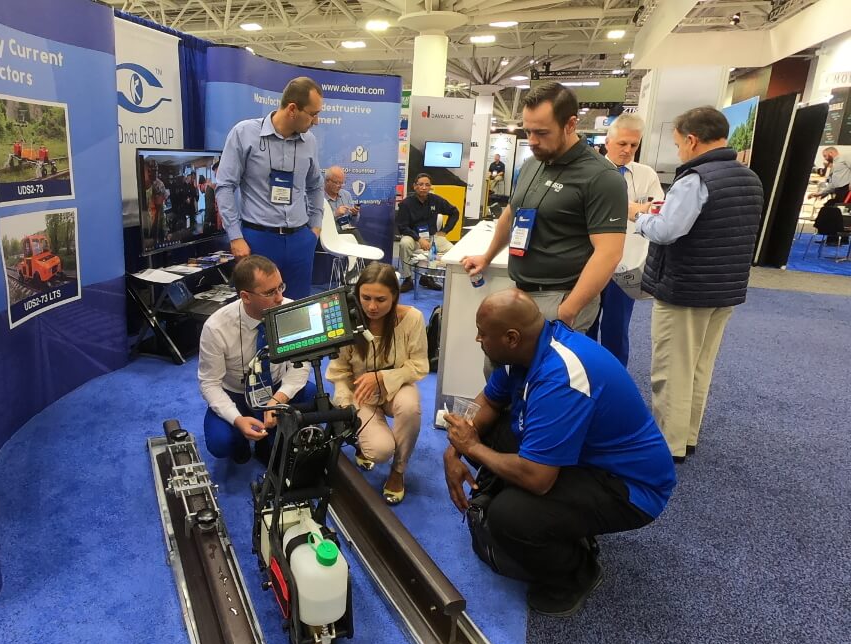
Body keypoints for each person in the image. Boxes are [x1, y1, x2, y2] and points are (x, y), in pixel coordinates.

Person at [442, 288, 675, 617]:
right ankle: (560, 521)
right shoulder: (526, 350)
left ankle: (577, 572)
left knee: (510, 516)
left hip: (630, 487)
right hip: (585, 458)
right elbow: (490, 401)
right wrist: (456, 448)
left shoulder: (561, 377)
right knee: (491, 431)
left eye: (483, 334)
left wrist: (472, 448)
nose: (479, 339)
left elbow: (538, 480)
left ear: (511, 337)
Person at [630, 106, 763, 463]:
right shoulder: (749, 177)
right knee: (700, 366)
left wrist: (640, 217)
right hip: (725, 288)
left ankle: (667, 445)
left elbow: (667, 231)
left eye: (677, 144)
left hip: (686, 289)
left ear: (691, 140)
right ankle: (686, 436)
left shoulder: (696, 179)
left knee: (672, 369)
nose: (678, 151)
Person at [461, 82, 628, 333]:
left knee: (545, 372)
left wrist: (568, 311)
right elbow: (511, 213)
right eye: (528, 132)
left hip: (561, 296)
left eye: (542, 132)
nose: (532, 141)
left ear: (570, 124)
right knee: (498, 365)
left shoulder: (602, 177)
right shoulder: (532, 164)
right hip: (521, 290)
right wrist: (487, 256)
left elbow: (609, 253)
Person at [326, 262, 428, 505]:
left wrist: (383, 377)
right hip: (359, 395)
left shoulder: (412, 318)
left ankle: (398, 471)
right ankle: (365, 443)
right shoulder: (346, 321)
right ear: (357, 294)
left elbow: (420, 365)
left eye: (381, 299)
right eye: (366, 297)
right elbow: (339, 372)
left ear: (394, 296)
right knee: (380, 451)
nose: (372, 306)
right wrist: (345, 405)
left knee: (410, 407)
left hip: (395, 389)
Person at [215, 77, 325, 300]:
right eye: (313, 114)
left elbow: (315, 185)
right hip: (259, 239)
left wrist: (314, 228)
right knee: (259, 311)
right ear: (292, 109)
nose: (316, 121)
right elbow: (225, 186)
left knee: (299, 311)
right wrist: (235, 237)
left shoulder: (309, 141)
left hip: (300, 240)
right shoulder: (244, 133)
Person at [198, 255, 314, 464]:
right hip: (237, 395)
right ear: (245, 296)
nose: (280, 298)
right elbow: (209, 383)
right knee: (221, 443)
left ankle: (270, 438)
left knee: (315, 398)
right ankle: (242, 441)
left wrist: (278, 400)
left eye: (281, 287)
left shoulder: (292, 310)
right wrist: (237, 419)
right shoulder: (215, 327)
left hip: (276, 389)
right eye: (270, 292)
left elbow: (300, 367)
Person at [586, 113, 665, 366]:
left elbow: (659, 210)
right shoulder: (590, 172)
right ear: (608, 142)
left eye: (634, 145)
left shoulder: (646, 174)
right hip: (590, 261)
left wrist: (634, 209)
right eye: (622, 144)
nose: (628, 150)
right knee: (584, 325)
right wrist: (633, 209)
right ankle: (582, 378)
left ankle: (615, 382)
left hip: (627, 265)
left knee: (617, 329)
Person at [396, 173, 460, 292]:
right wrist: (419, 239)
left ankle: (428, 277)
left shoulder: (436, 200)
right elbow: (402, 227)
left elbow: (454, 212)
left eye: (427, 185)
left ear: (431, 187)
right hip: (413, 237)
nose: (424, 187)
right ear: (414, 186)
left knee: (452, 250)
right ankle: (407, 278)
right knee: (404, 244)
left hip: (432, 237)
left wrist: (445, 231)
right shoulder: (406, 204)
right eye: (420, 184)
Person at [324, 165, 364, 243]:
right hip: (327, 234)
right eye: (336, 182)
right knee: (354, 234)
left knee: (354, 233)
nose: (339, 186)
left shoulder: (346, 195)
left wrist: (354, 214)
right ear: (327, 181)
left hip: (346, 232)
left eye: (342, 183)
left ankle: (362, 254)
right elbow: (315, 222)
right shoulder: (318, 197)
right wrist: (335, 214)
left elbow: (354, 222)